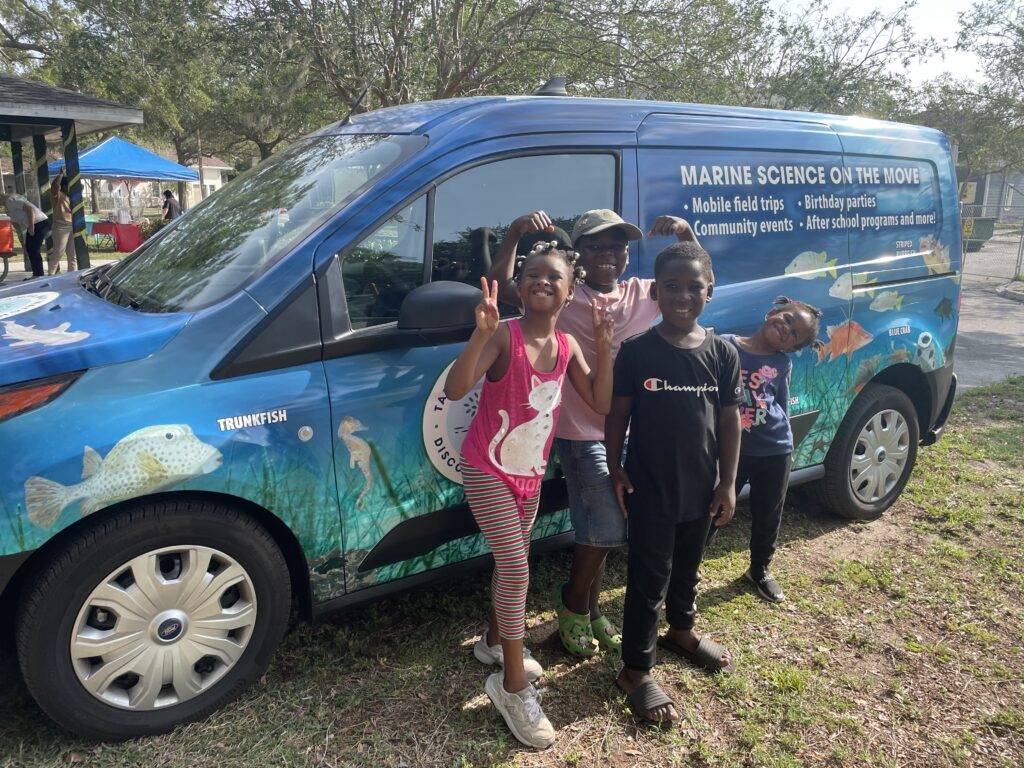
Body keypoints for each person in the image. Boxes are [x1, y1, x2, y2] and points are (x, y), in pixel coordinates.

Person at [488, 209, 699, 659]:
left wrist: (686, 235)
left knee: (609, 528)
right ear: (579, 255)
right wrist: (513, 233)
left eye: (618, 246)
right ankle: (571, 604)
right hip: (583, 431)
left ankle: (590, 607)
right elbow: (501, 286)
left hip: (633, 432)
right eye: (597, 246)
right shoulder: (563, 293)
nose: (609, 255)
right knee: (604, 526)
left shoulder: (646, 292)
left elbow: (696, 283)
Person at [444, 243, 614, 749]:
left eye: (554, 276)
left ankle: (493, 643)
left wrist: (605, 348)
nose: (542, 280)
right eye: (532, 274)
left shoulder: (568, 346)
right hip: (488, 469)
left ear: (568, 291)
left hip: (530, 475)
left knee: (510, 560)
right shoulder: (502, 335)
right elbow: (456, 389)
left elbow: (601, 402)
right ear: (519, 287)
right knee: (517, 567)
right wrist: (479, 334)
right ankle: (512, 685)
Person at [606, 241, 742, 726]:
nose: (682, 296)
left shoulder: (723, 353)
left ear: (710, 290)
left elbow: (729, 421)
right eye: (670, 287)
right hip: (651, 487)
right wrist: (615, 466)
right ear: (655, 293)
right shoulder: (637, 351)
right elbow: (618, 413)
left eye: (693, 287)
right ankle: (636, 669)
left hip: (703, 487)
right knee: (648, 579)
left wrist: (728, 483)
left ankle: (681, 631)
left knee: (689, 565)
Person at [708, 297, 822, 602]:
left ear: (793, 348)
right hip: (733, 450)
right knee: (712, 510)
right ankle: (687, 569)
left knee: (768, 514)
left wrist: (788, 447)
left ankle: (759, 570)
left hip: (774, 450)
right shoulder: (724, 345)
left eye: (795, 334)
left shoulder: (782, 364)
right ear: (771, 312)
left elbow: (780, 407)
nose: (786, 330)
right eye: (786, 319)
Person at [2, 192, 50, 278]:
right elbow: (16, 225)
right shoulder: (7, 208)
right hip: (31, 225)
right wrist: (22, 241)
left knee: (34, 249)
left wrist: (31, 227)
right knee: (29, 248)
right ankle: (37, 273)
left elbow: (29, 209)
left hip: (39, 222)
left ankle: (38, 274)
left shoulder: (11, 200)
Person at [48, 167, 76, 275]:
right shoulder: (59, 195)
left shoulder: (71, 197)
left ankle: (71, 276)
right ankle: (50, 276)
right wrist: (61, 175)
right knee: (58, 253)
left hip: (72, 226)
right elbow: (54, 187)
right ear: (64, 186)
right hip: (61, 226)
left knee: (72, 255)